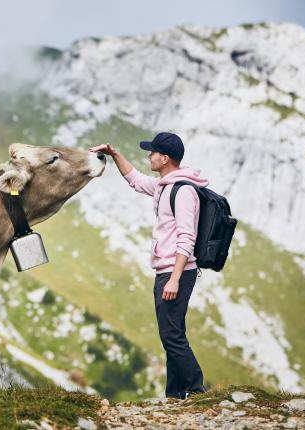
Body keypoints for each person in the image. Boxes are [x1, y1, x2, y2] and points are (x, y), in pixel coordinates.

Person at [89, 132, 208, 399]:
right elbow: (135, 180)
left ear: (164, 158)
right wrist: (113, 153)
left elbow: (186, 237)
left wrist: (175, 278)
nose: (149, 156)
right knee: (172, 333)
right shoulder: (164, 186)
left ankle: (197, 389)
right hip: (167, 269)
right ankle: (176, 394)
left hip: (176, 271)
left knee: (171, 336)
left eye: (152, 153)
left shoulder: (184, 191)